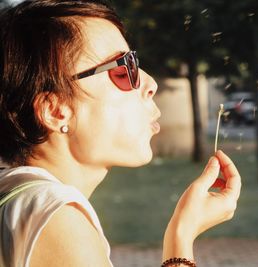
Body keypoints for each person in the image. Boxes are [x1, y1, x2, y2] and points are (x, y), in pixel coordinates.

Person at [0, 0, 241, 266]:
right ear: (55, 111)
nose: (150, 83)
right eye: (123, 68)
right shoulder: (54, 217)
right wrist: (182, 235)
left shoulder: (15, 199)